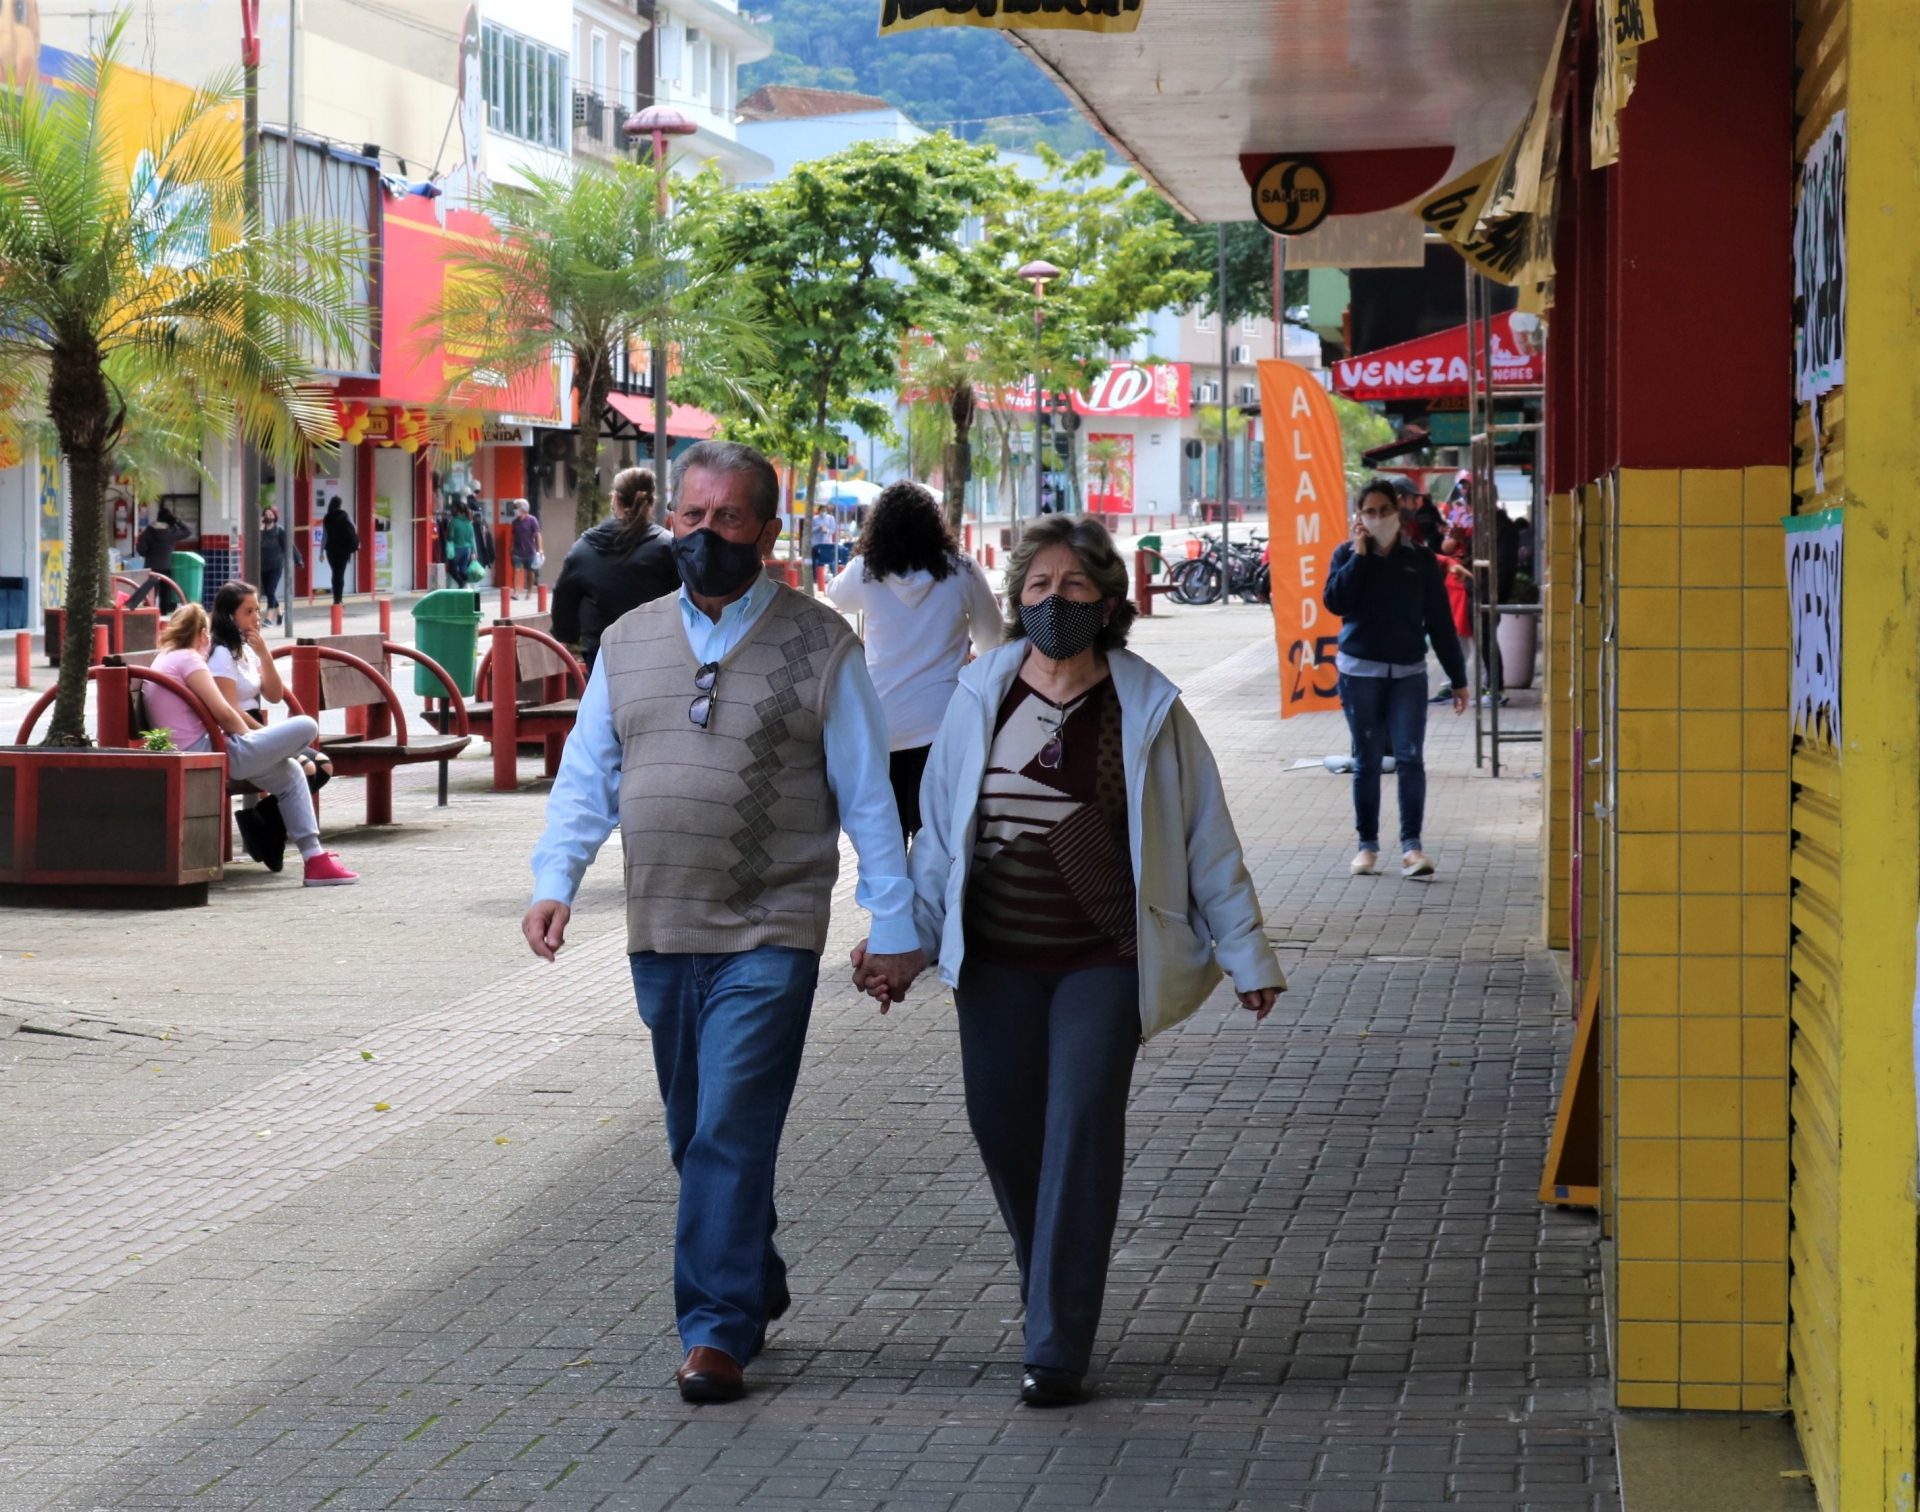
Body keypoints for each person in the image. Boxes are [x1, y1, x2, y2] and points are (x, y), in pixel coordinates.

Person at [523, 440, 924, 1405]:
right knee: (692, 1132)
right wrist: (555, 879)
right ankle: (756, 1276)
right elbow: (590, 776)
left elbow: (868, 792)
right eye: (690, 519)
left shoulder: (823, 642)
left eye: (727, 520)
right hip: (661, 925)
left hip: (773, 926)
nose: (705, 536)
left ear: (767, 531)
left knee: (729, 1131)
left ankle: (714, 1330)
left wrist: (894, 919)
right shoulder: (628, 641)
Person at [858, 512, 1285, 1409]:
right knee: (1004, 1130)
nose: (1056, 600)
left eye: (1076, 586)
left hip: (1106, 957)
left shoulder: (1150, 705)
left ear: (1110, 600)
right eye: (1040, 587)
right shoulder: (979, 694)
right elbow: (938, 841)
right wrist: (906, 940)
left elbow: (1208, 837)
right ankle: (1051, 1277)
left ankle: (1056, 1344)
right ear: (1015, 600)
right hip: (999, 961)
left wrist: (1248, 954)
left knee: (1081, 1126)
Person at [825, 481, 1002, 838]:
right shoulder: (961, 570)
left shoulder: (865, 571)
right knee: (934, 839)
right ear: (934, 524)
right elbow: (992, 639)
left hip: (880, 723)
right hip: (943, 724)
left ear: (878, 526)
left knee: (887, 839)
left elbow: (837, 597)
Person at [147, 603, 358, 886]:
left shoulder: (166, 658)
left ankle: (315, 859)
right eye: (206, 636)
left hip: (205, 748)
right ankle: (310, 856)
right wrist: (252, 742)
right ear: (199, 634)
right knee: (307, 725)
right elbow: (223, 712)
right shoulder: (190, 659)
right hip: (213, 752)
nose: (208, 642)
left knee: (292, 772)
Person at [1323, 478, 1471, 881]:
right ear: (1358, 517)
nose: (1377, 518)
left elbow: (1439, 622)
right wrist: (1359, 556)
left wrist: (1458, 678)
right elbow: (1336, 602)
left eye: (1384, 511)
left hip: (1408, 673)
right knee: (1367, 761)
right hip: (1359, 674)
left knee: (1409, 758)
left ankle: (1412, 848)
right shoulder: (1346, 554)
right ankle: (1366, 847)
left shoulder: (1420, 560)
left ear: (1398, 512)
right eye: (1368, 512)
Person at [208, 580, 330, 869]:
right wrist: (263, 734)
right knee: (306, 746)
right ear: (229, 616)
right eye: (248, 612)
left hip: (255, 729)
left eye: (257, 611)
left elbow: (274, 695)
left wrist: (264, 654)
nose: (256, 618)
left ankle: (263, 828)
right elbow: (230, 709)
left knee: (321, 765)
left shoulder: (246, 650)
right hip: (240, 732)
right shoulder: (222, 654)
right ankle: (265, 833)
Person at [550, 467, 679, 671]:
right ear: (652, 501)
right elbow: (691, 597)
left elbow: (563, 597)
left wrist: (568, 634)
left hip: (601, 653)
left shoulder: (584, 549)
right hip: (656, 653)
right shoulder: (667, 547)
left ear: (616, 500)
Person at [126, 505, 195, 611]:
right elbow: (187, 531)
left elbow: (141, 548)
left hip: (151, 567)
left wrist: (147, 553)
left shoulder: (149, 531)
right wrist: (177, 520)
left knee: (151, 593)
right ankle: (163, 614)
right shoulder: (172, 532)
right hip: (166, 567)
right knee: (165, 593)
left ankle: (149, 613)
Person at [322, 496, 358, 604]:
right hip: (344, 550)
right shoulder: (345, 515)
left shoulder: (327, 517)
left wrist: (321, 552)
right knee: (340, 574)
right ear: (341, 505)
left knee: (335, 573)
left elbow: (325, 536)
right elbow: (354, 529)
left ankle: (335, 598)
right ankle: (339, 599)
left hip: (331, 550)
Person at [258, 506, 290, 625]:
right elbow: (258, 543)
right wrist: (261, 528)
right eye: (266, 515)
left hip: (276, 565)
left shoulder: (279, 530)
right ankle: (280, 612)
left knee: (271, 589)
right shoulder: (261, 530)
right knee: (268, 592)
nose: (268, 517)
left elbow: (289, 545)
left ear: (275, 516)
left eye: (271, 515)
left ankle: (269, 618)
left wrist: (297, 559)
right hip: (264, 566)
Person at [508, 500, 542, 598]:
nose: (515, 510)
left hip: (530, 550)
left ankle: (530, 591)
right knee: (516, 570)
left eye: (517, 507)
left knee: (530, 572)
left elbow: (538, 535)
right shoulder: (515, 522)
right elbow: (513, 536)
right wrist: (511, 548)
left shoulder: (532, 520)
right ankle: (516, 592)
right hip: (517, 551)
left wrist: (540, 549)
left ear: (523, 508)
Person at [443, 499, 479, 587]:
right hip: (467, 549)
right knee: (463, 568)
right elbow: (471, 539)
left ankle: (460, 582)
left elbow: (451, 536)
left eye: (455, 510)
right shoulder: (469, 523)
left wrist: (446, 538)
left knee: (453, 569)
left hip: (456, 548)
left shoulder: (454, 522)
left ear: (458, 511)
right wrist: (473, 552)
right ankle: (465, 583)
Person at [810, 505, 838, 576]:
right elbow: (811, 530)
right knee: (815, 560)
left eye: (825, 511)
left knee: (830, 560)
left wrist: (826, 531)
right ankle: (815, 576)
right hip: (816, 543)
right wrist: (819, 528)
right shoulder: (815, 519)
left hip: (827, 542)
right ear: (819, 511)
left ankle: (834, 574)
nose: (823, 512)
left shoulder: (831, 518)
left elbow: (833, 529)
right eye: (822, 511)